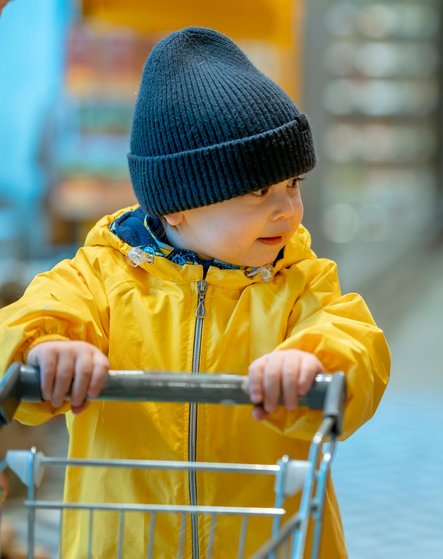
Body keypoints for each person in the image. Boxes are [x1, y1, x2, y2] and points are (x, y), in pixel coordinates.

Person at [0, 26, 390, 558]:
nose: (288, 210)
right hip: (125, 542)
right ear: (178, 205)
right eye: (259, 191)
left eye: (293, 185)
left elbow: (354, 338)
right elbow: (30, 318)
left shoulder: (299, 282)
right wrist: (47, 350)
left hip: (271, 540)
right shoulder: (101, 276)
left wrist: (309, 360)